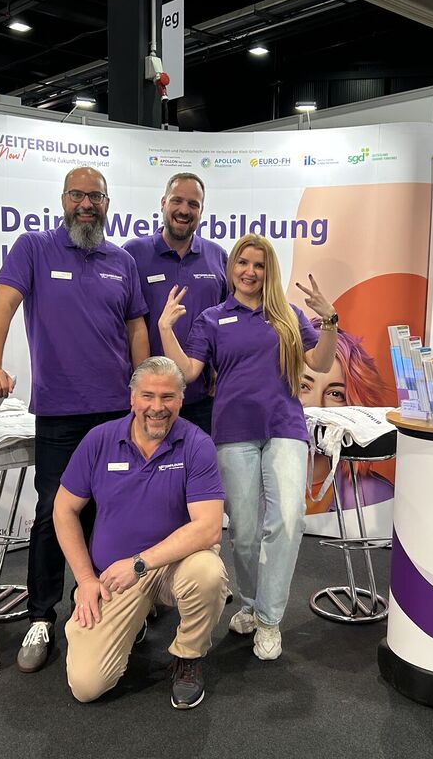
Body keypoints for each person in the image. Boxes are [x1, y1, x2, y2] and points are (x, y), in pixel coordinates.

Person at [0, 166, 149, 673]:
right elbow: (4, 305)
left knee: (114, 512)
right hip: (58, 412)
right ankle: (41, 616)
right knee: (54, 511)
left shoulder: (121, 261)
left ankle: (107, 605)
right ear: (63, 200)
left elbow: (136, 329)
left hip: (116, 413)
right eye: (77, 195)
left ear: (107, 203)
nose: (86, 204)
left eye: (95, 196)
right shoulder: (34, 248)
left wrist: (143, 390)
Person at [158, 233, 337, 660]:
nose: (250, 272)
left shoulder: (288, 315)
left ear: (268, 270)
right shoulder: (213, 318)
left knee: (288, 521)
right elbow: (188, 371)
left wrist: (329, 321)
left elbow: (321, 362)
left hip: (284, 428)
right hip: (233, 433)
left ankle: (270, 620)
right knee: (244, 532)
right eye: (243, 263)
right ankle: (253, 605)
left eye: (259, 265)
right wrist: (165, 329)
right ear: (231, 267)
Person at [54, 357, 228, 709]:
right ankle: (133, 621)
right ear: (132, 398)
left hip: (172, 566)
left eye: (168, 397)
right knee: (87, 686)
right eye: (148, 396)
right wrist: (85, 579)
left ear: (181, 399)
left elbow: (209, 528)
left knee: (208, 573)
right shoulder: (99, 440)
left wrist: (139, 563)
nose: (157, 407)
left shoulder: (197, 444)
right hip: (114, 574)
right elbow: (64, 510)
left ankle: (188, 655)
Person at [123, 173, 227, 435]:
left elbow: (228, 323)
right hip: (151, 400)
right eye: (177, 200)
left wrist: (220, 370)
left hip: (203, 399)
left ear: (202, 210)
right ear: (163, 203)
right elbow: (121, 322)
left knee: (200, 461)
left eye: (193, 204)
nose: (184, 210)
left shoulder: (217, 257)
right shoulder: (133, 254)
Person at [300, 320, 394, 516]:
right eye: (303, 386)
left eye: (335, 394)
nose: (317, 405)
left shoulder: (380, 500)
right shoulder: (240, 485)